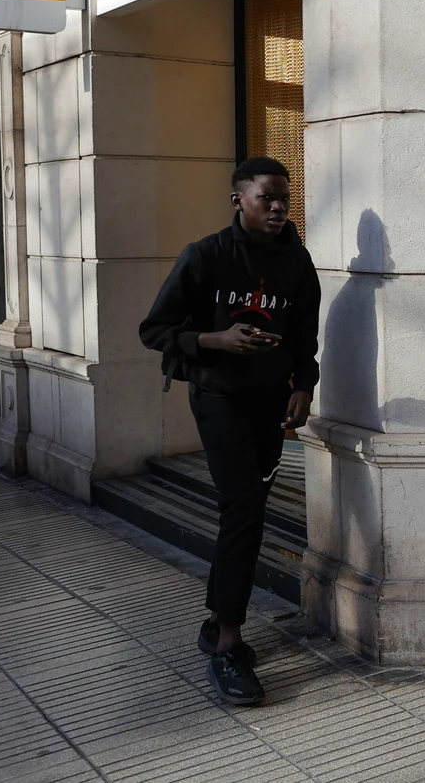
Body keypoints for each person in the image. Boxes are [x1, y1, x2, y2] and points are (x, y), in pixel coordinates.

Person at [139, 157, 319, 705]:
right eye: (266, 196)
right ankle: (228, 645)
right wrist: (218, 340)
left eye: (284, 197)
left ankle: (216, 615)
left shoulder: (298, 261)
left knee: (245, 512)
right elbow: (155, 330)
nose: (278, 206)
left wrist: (303, 386)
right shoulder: (206, 255)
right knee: (243, 509)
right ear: (237, 199)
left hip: (270, 405)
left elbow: (305, 336)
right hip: (218, 399)